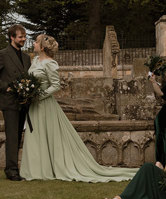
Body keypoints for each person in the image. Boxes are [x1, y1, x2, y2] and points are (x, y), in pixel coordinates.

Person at [20, 34, 137, 182]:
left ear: (42, 47)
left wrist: (38, 96)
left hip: (45, 105)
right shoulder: (35, 60)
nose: (34, 44)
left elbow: (55, 86)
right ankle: (37, 170)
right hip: (34, 106)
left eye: (36, 42)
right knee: (36, 136)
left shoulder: (50, 63)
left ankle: (50, 169)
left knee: (47, 135)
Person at [0, 24, 31, 181]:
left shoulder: (26, 57)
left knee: (18, 136)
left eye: (25, 36)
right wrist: (6, 87)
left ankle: (17, 168)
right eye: (20, 37)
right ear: (12, 37)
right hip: (9, 101)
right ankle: (11, 170)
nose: (24, 39)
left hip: (24, 101)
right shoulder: (2, 55)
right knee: (12, 136)